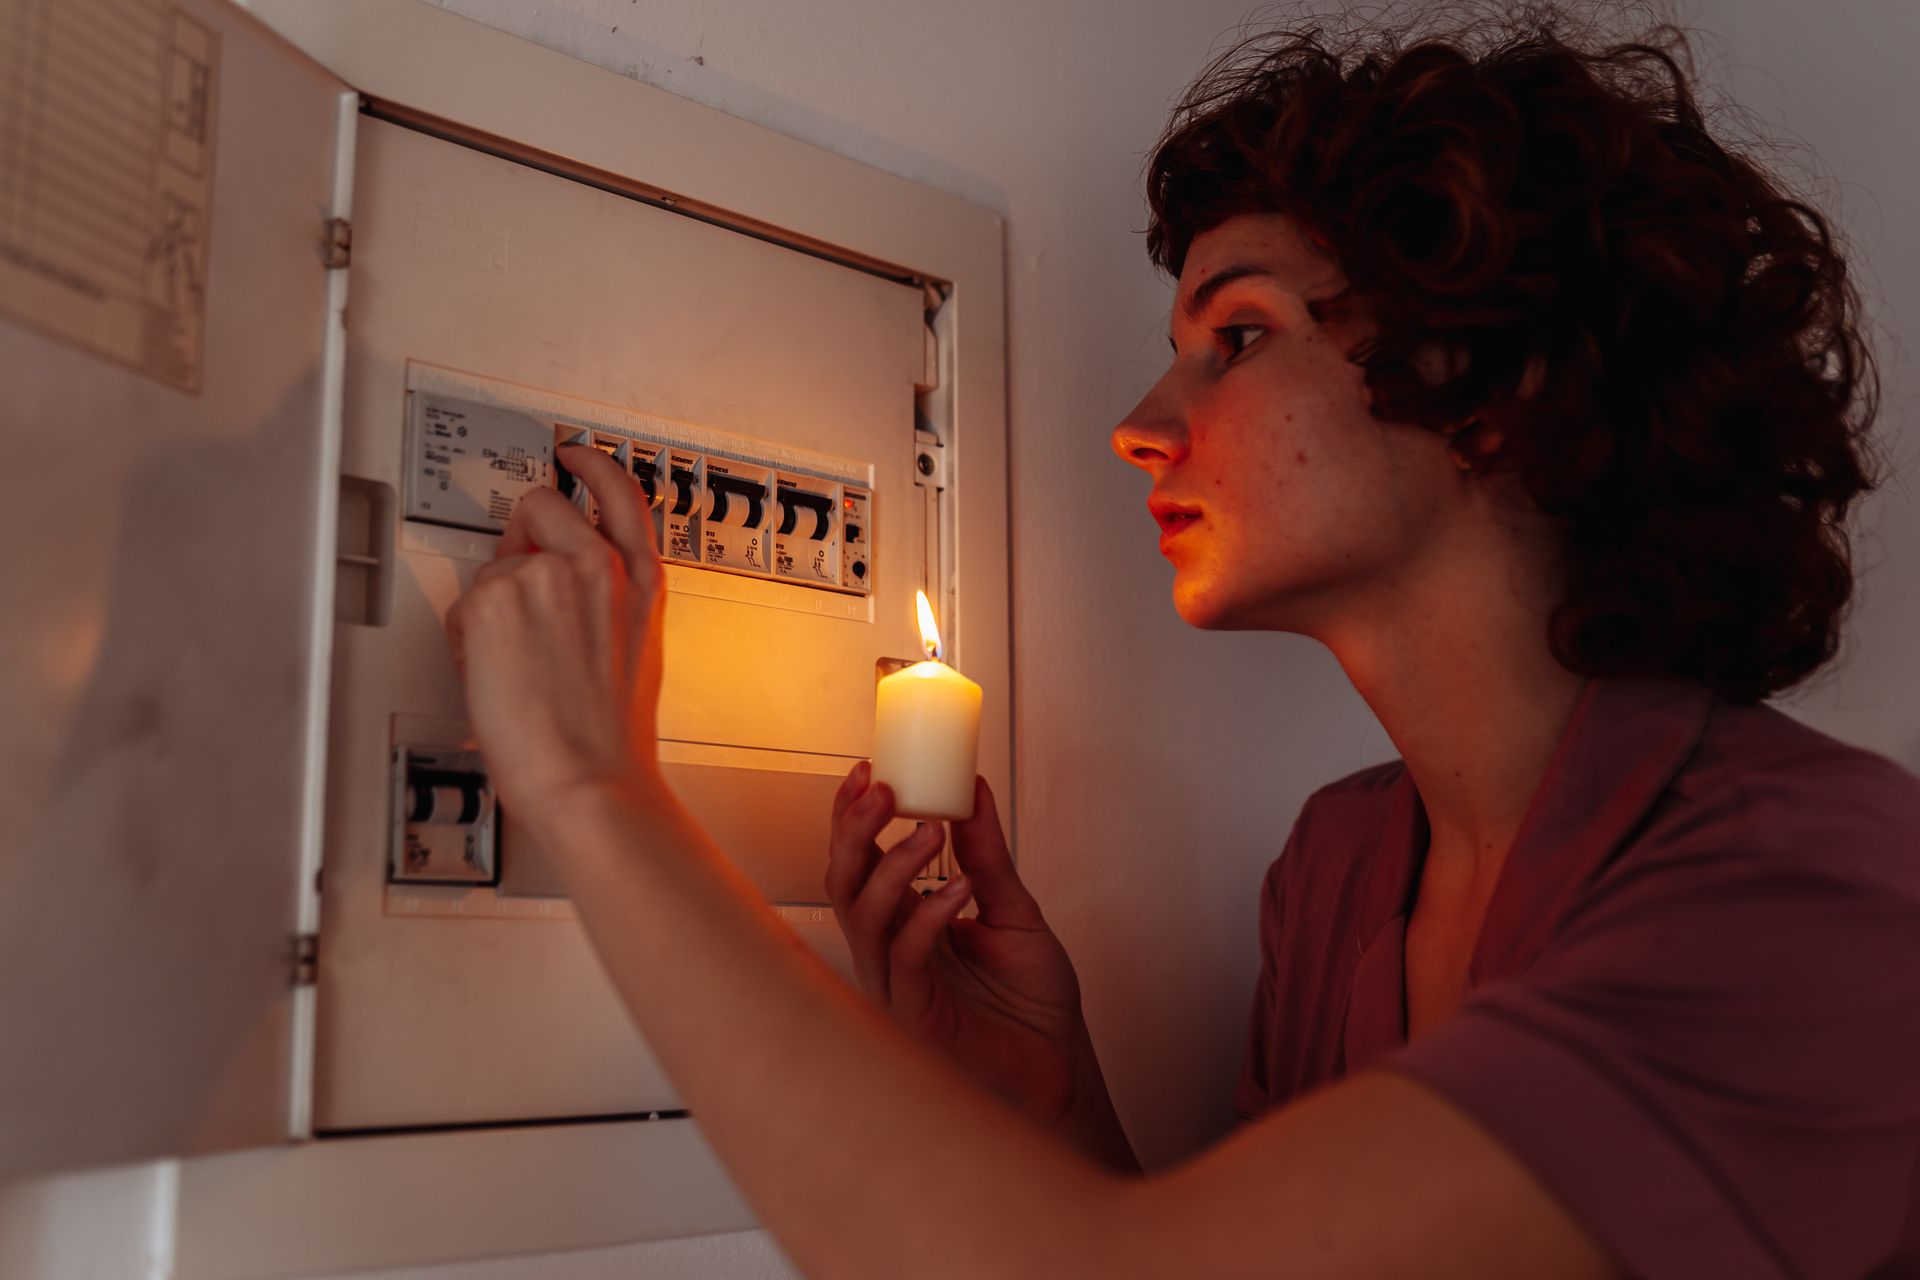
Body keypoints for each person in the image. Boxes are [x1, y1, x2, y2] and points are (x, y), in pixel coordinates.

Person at [445, 5, 1920, 1276]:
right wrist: (1047, 1100)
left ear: (1490, 389)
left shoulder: (1824, 890)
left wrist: (591, 786)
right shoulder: (1340, 873)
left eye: (1240, 337)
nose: (1141, 428)